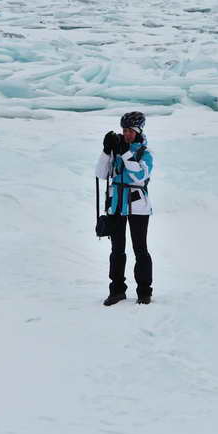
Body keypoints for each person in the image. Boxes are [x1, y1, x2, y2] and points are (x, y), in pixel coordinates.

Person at [95, 111, 154, 306]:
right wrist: (106, 151)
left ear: (138, 131)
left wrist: (125, 152)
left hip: (138, 207)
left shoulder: (145, 154)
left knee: (140, 249)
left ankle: (144, 292)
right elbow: (101, 173)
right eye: (124, 130)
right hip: (117, 206)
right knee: (117, 250)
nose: (126, 134)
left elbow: (139, 176)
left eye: (130, 130)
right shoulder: (116, 150)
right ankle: (117, 290)